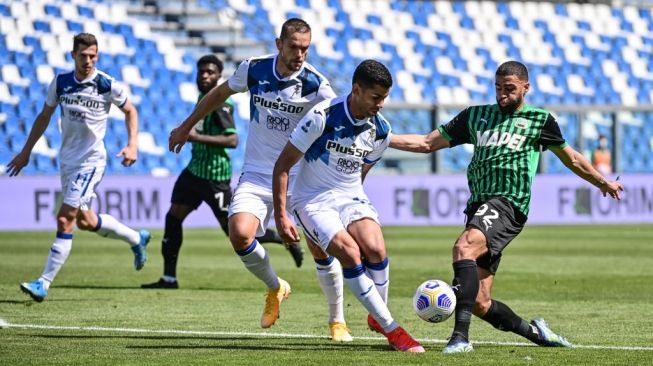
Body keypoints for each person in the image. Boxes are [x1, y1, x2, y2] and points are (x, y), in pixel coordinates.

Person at [389, 60, 624, 353]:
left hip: (509, 203)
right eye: (498, 88)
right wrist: (385, 138)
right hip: (479, 206)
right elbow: (427, 143)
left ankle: (460, 339)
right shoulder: (475, 117)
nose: (502, 95)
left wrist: (603, 182)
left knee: (463, 247)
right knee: (479, 301)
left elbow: (572, 158)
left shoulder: (540, 120)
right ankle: (537, 333)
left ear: (526, 88)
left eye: (510, 89)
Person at [168, 19, 352, 341]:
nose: (299, 54)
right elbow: (219, 93)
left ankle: (337, 321)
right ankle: (275, 287)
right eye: (294, 47)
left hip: (299, 178)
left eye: (305, 49)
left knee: (319, 247)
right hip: (256, 173)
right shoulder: (254, 69)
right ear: (279, 43)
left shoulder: (317, 86)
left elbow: (338, 123)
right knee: (239, 234)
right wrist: (186, 126)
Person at [273, 60, 425, 353]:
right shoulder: (321, 116)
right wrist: (281, 215)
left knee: (376, 248)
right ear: (356, 89)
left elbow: (361, 173)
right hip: (312, 199)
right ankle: (393, 329)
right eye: (375, 97)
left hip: (350, 193)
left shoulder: (380, 129)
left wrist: (355, 209)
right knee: (350, 252)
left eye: (384, 97)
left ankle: (375, 315)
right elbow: (282, 166)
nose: (381, 104)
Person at [7, 33, 151, 302]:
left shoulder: (106, 83)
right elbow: (44, 116)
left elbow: (131, 110)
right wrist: (25, 152)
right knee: (85, 221)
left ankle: (43, 283)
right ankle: (136, 238)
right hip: (68, 162)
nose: (89, 60)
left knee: (65, 218)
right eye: (84, 55)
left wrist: (133, 145)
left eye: (93, 55)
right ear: (73, 55)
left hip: (91, 162)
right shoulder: (61, 83)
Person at [142, 55, 303, 290]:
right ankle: (169, 278)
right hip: (194, 171)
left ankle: (282, 238)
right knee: (173, 217)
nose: (205, 76)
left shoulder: (221, 105)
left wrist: (194, 136)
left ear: (219, 76)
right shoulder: (202, 99)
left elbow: (232, 139)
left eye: (210, 72)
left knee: (235, 231)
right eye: (201, 72)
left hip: (215, 177)